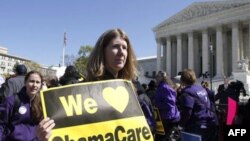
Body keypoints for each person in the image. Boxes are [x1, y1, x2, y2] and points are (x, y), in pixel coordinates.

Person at [36, 28, 138, 140]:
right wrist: (44, 136)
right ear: (102, 51)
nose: (121, 52)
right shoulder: (84, 89)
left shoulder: (130, 89)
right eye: (115, 47)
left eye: (125, 48)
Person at [0, 70, 50, 140]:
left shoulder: (42, 103)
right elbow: (1, 125)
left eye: (37, 82)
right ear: (25, 82)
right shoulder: (11, 101)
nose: (34, 85)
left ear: (41, 85)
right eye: (31, 81)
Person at [178, 69, 217, 141]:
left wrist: (180, 125)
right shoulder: (201, 88)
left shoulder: (187, 92)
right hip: (210, 122)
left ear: (182, 80)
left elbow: (187, 112)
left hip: (197, 125)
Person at [154, 71, 180, 141]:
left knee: (166, 138)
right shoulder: (161, 87)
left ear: (162, 78)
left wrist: (156, 105)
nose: (156, 78)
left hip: (168, 118)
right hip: (164, 117)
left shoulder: (165, 87)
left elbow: (169, 104)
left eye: (157, 76)